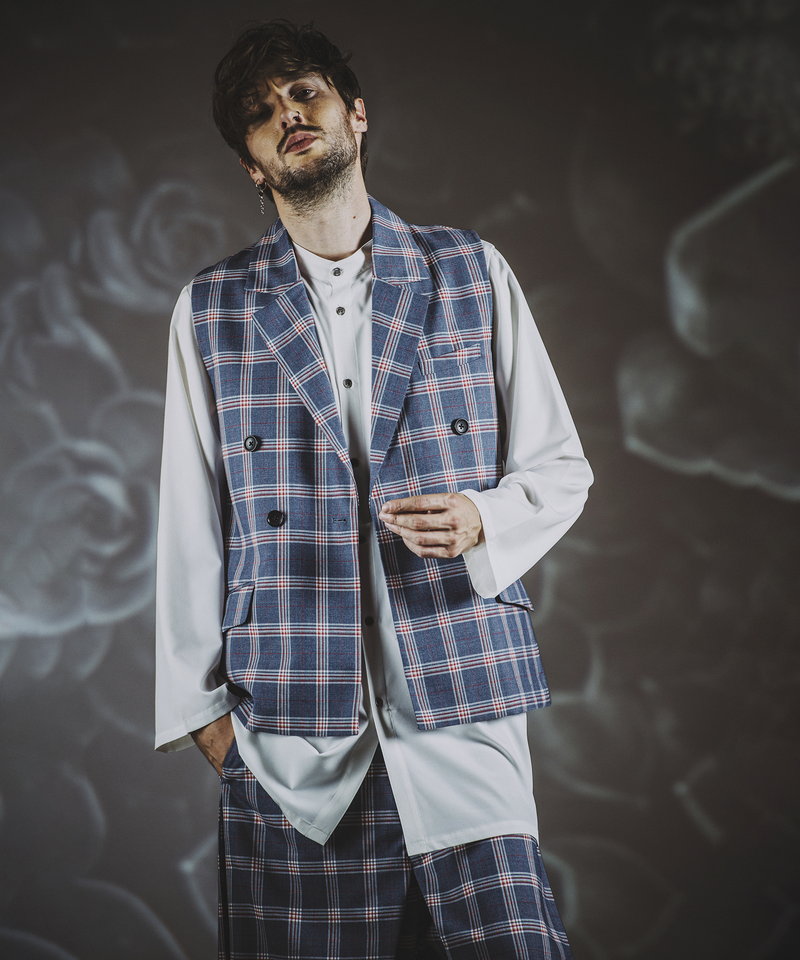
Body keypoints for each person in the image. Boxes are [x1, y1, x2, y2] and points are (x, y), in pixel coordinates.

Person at [154, 17, 593, 960]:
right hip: (292, 744)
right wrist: (211, 725)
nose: (289, 114)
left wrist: (482, 516)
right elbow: (190, 525)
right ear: (253, 165)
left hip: (462, 706)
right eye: (262, 113)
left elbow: (561, 466)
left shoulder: (468, 272)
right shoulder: (213, 308)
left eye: (304, 92)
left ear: (355, 114)